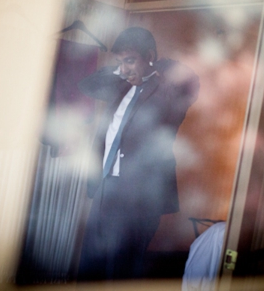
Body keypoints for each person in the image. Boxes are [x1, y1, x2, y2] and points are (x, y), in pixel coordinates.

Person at [77, 27, 200, 280]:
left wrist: (156, 66)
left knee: (120, 270)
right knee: (90, 266)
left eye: (130, 60)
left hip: (138, 198)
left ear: (150, 56)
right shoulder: (121, 86)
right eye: (120, 61)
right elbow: (87, 86)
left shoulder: (166, 93)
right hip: (105, 188)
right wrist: (122, 68)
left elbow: (190, 82)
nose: (124, 69)